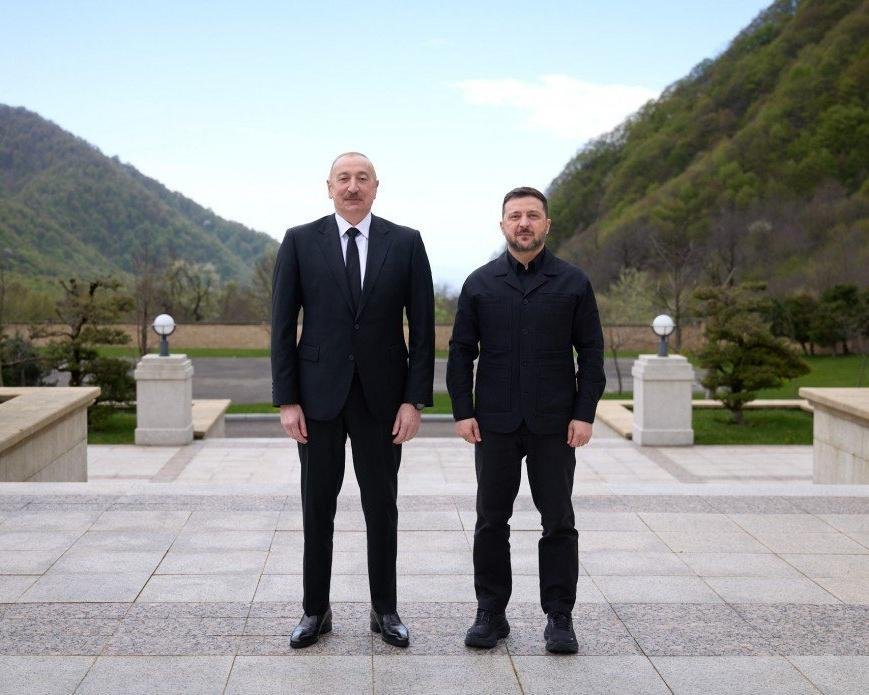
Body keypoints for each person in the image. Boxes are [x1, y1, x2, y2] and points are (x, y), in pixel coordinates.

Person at [271, 152, 435, 649]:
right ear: (329, 187)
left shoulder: (405, 243)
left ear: (376, 187)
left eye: (362, 178)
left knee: (381, 506)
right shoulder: (300, 241)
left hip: (383, 400)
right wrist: (286, 400)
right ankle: (314, 611)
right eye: (344, 178)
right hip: (317, 398)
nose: (352, 186)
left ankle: (385, 610)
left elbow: (424, 330)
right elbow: (281, 326)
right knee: (316, 506)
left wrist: (414, 401)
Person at [446, 186, 605, 654]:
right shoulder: (479, 283)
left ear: (547, 224)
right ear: (502, 225)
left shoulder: (573, 282)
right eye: (515, 216)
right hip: (493, 423)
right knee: (490, 520)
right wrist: (463, 410)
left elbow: (591, 352)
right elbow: (461, 352)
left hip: (555, 424)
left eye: (532, 215)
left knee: (557, 520)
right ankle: (490, 613)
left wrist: (584, 413)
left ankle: (559, 617)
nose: (524, 223)